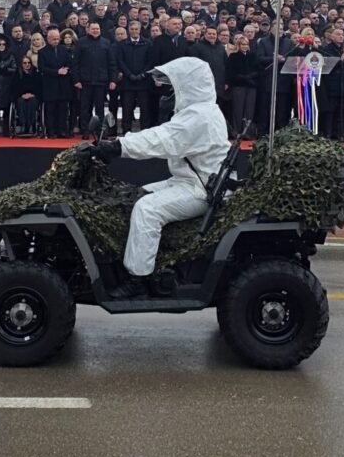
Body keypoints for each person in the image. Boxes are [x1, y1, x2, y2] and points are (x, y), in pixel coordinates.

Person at [79, 57, 230, 288]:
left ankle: (140, 278)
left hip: (201, 189)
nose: (168, 93)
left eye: (173, 87)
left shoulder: (200, 117)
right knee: (136, 195)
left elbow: (161, 140)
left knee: (146, 209)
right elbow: (163, 134)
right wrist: (117, 143)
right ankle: (143, 256)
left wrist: (119, 147)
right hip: (189, 181)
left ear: (187, 86)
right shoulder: (198, 111)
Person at [72, 20, 116, 139]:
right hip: (85, 81)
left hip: (101, 82)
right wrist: (76, 80)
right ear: (88, 29)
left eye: (97, 29)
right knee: (85, 108)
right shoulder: (81, 43)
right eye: (93, 29)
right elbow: (75, 63)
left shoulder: (106, 43)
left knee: (100, 108)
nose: (95, 31)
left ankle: (100, 131)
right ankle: (85, 130)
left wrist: (113, 80)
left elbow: (111, 63)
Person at [116, 20, 155, 134]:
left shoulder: (147, 43)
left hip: (143, 82)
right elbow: (120, 61)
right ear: (129, 30)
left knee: (145, 109)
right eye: (132, 29)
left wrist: (143, 74)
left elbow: (150, 61)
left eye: (136, 29)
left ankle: (145, 132)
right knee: (127, 109)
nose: (134, 31)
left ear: (140, 30)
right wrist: (129, 74)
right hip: (128, 82)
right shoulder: (123, 44)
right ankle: (126, 131)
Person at [38, 28, 74, 138]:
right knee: (50, 110)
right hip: (50, 85)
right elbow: (42, 68)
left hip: (63, 85)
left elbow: (70, 63)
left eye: (58, 39)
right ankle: (51, 131)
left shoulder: (64, 50)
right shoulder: (42, 52)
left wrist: (66, 69)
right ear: (48, 39)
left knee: (62, 109)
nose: (56, 41)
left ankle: (61, 130)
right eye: (54, 39)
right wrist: (56, 72)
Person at [224, 34, 260, 139]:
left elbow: (258, 70)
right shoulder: (233, 57)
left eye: (246, 44)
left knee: (249, 110)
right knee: (238, 110)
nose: (245, 46)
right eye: (243, 44)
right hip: (238, 86)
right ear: (238, 45)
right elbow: (230, 72)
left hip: (251, 86)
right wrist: (243, 77)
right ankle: (237, 131)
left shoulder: (253, 56)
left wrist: (251, 77)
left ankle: (247, 132)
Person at [13, 54, 43, 135]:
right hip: (21, 96)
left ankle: (30, 124)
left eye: (29, 63)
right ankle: (24, 123)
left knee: (32, 102)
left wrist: (32, 94)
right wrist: (22, 95)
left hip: (33, 96)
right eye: (25, 63)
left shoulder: (36, 74)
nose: (27, 64)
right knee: (21, 101)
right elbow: (14, 88)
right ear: (21, 64)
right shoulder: (17, 74)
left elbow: (39, 87)